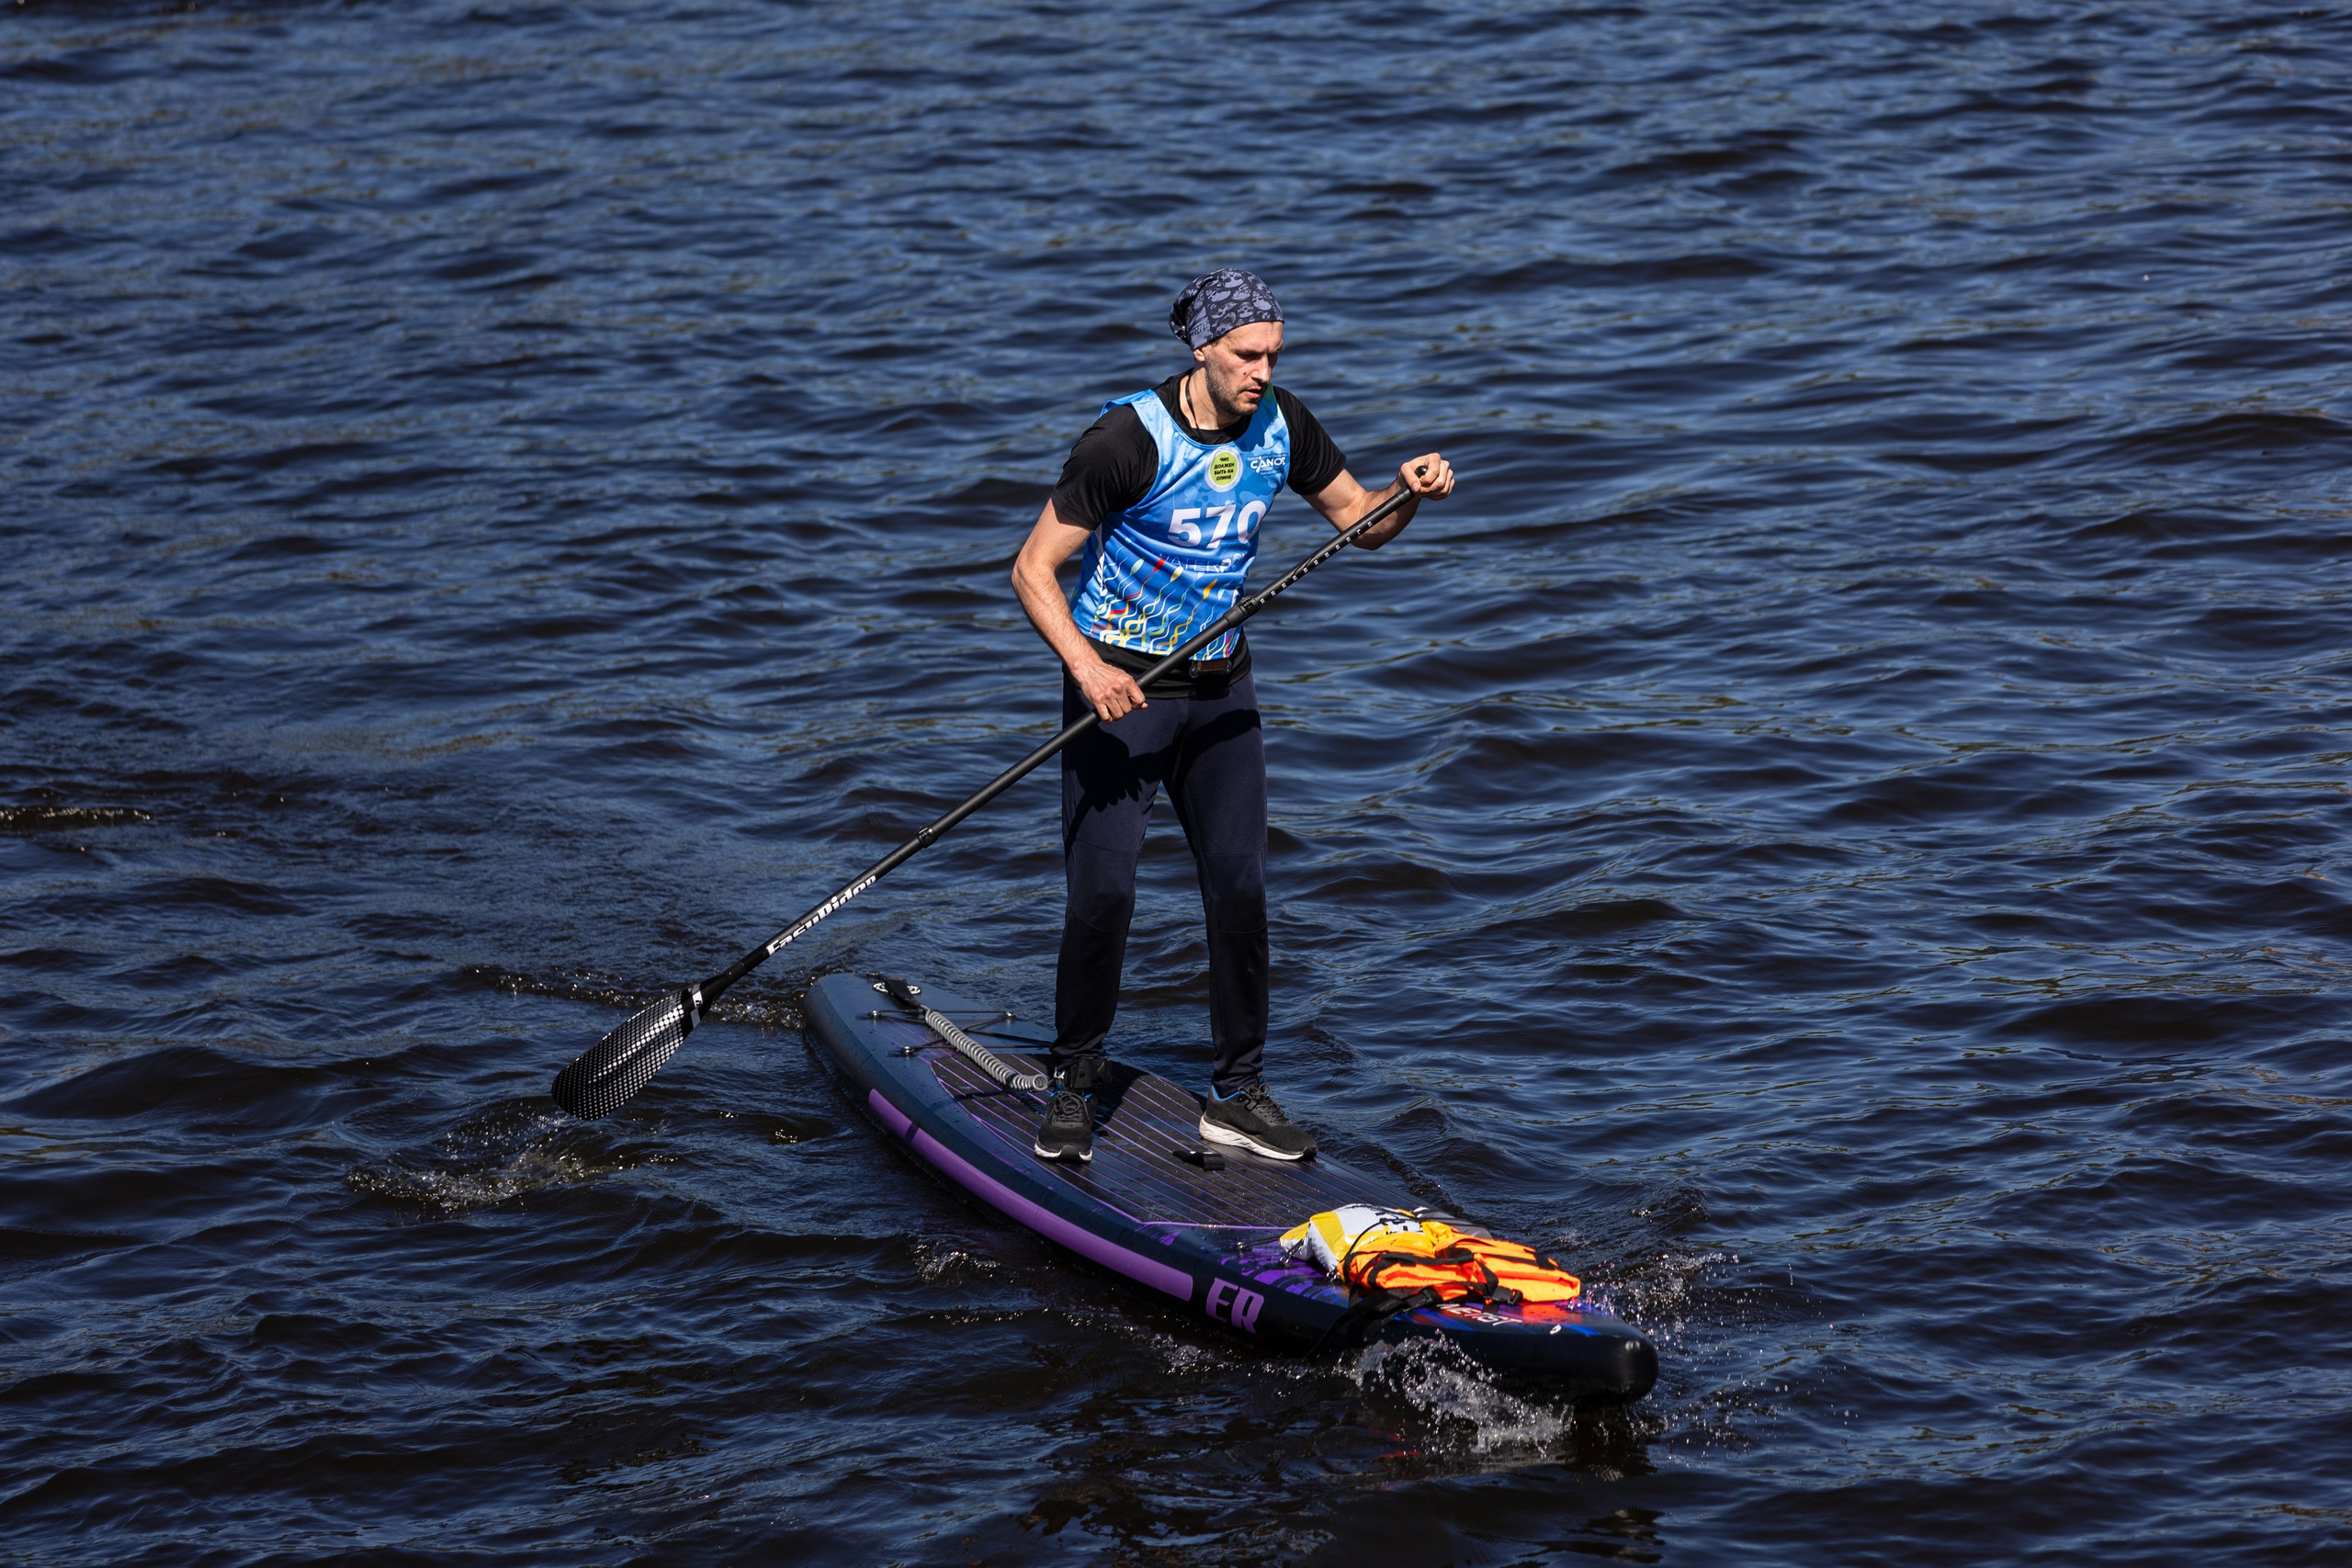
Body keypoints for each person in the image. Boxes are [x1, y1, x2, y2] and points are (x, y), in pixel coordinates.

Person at [1009, 268, 1455, 1164]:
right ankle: (1075, 1076)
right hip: (1121, 693)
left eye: (1273, 355)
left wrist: (1405, 495)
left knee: (1242, 891)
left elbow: (1358, 522)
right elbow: (1031, 568)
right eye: (1246, 355)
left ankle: (1237, 1092)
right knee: (1105, 897)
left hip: (1219, 691)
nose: (1261, 371)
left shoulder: (1281, 424)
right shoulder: (1124, 440)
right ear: (1201, 347)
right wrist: (1088, 668)